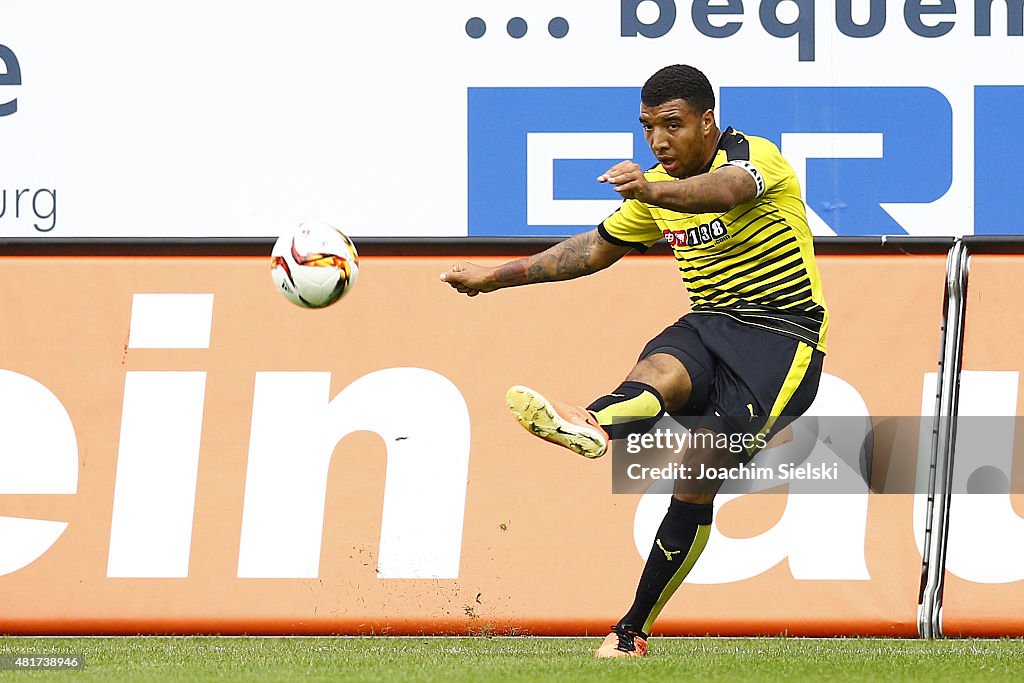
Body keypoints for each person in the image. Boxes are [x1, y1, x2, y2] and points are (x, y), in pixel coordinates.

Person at [440, 64, 828, 658]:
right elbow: (593, 249)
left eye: (672, 125)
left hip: (782, 336)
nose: (658, 141)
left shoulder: (756, 158)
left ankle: (632, 628)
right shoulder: (656, 186)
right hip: (709, 322)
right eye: (648, 127)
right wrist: (493, 278)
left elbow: (727, 190)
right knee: (660, 374)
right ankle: (593, 422)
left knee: (697, 478)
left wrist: (651, 190)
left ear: (707, 120)